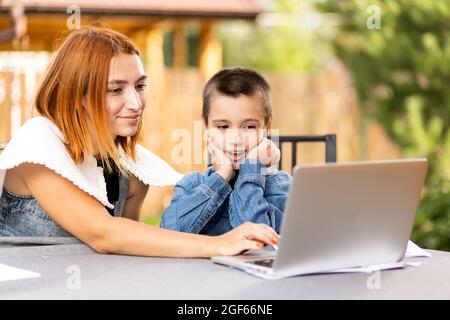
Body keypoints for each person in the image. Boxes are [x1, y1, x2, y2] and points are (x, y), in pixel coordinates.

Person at [0, 27, 279, 257]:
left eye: (140, 86)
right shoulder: (37, 143)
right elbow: (104, 234)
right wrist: (218, 244)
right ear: (77, 95)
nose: (135, 103)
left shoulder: (133, 172)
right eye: (115, 89)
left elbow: (128, 249)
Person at [160, 67, 291, 236]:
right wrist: (221, 175)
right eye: (223, 126)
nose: (235, 140)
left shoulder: (282, 187)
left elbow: (255, 242)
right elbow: (169, 234)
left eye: (249, 127)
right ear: (206, 126)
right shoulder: (191, 185)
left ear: (267, 127)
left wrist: (251, 167)